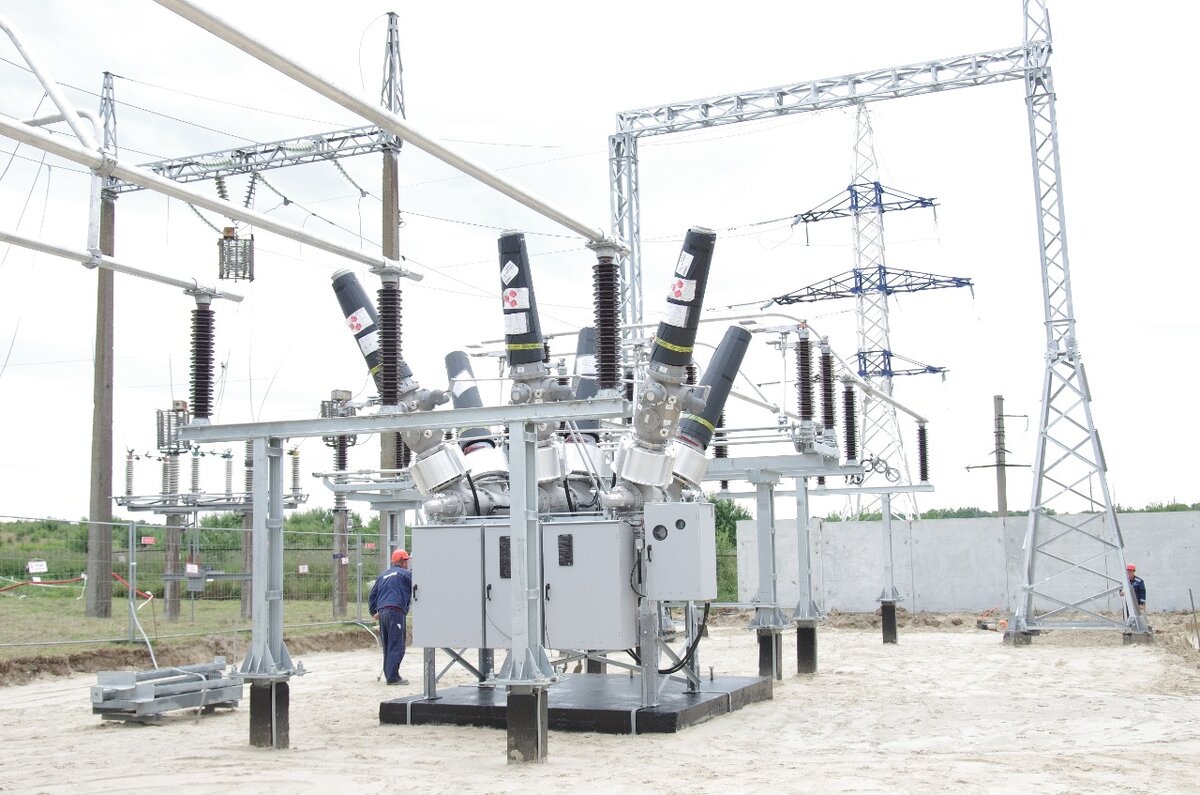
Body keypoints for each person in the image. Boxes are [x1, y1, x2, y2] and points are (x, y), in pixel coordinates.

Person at [368, 549, 413, 685]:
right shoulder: (406, 574)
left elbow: (372, 595)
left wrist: (373, 612)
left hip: (383, 612)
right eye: (407, 561)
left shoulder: (383, 576)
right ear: (403, 561)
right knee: (397, 644)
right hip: (396, 611)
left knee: (388, 645)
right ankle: (393, 678)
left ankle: (390, 675)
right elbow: (418, 587)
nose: (408, 564)